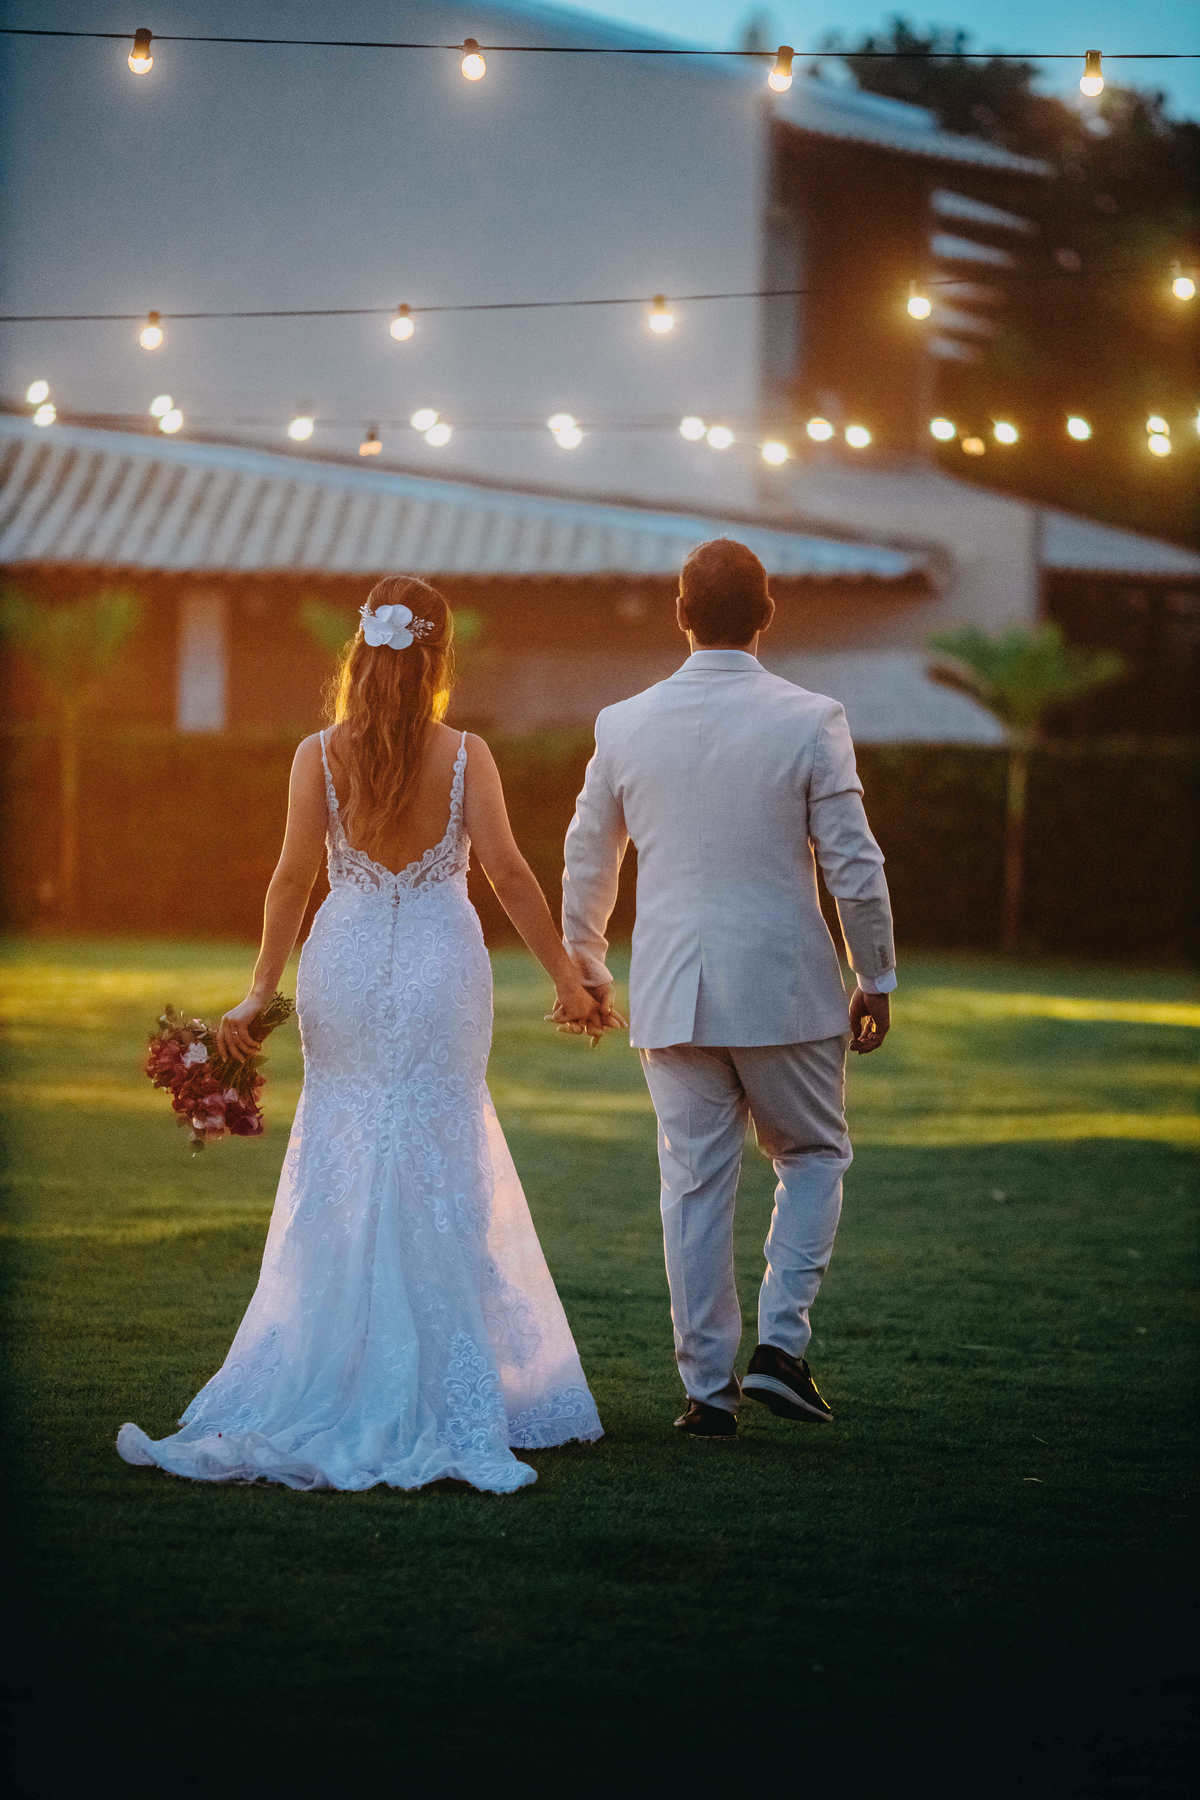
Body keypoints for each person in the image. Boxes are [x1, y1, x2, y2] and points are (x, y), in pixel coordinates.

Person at [118, 576, 603, 1493]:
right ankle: (442, 1387)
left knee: (344, 1153)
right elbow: (506, 872)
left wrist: (259, 992)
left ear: (362, 653)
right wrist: (568, 980)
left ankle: (335, 1369)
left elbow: (292, 879)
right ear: (437, 658)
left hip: (339, 964)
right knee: (437, 1149)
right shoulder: (467, 754)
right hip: (439, 970)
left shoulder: (317, 753)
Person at [559, 538, 896, 1439]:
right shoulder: (811, 717)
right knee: (813, 1156)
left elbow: (589, 851)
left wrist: (586, 964)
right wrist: (877, 974)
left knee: (694, 1189)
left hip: (670, 991)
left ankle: (708, 1395)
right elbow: (854, 865)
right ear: (766, 613)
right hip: (785, 986)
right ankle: (780, 1350)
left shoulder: (623, 722)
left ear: (680, 613)